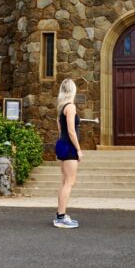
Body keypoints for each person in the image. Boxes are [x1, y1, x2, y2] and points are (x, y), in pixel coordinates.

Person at [53, 78, 82, 229]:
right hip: (69, 146)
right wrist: (78, 149)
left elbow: (60, 130)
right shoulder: (70, 107)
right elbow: (71, 130)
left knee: (65, 182)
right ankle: (61, 217)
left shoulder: (60, 107)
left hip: (62, 144)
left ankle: (60, 215)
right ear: (72, 90)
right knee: (69, 182)